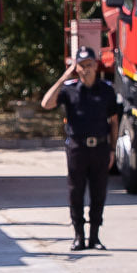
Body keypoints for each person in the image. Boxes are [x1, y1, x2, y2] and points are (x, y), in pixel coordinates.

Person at [42, 45, 119, 250]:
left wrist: (113, 149)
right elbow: (46, 103)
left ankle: (94, 236)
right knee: (76, 192)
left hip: (100, 148)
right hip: (77, 148)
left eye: (90, 64)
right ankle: (79, 235)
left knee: (98, 192)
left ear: (96, 65)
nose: (86, 69)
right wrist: (63, 77)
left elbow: (113, 120)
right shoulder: (69, 89)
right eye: (82, 65)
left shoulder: (106, 90)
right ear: (76, 67)